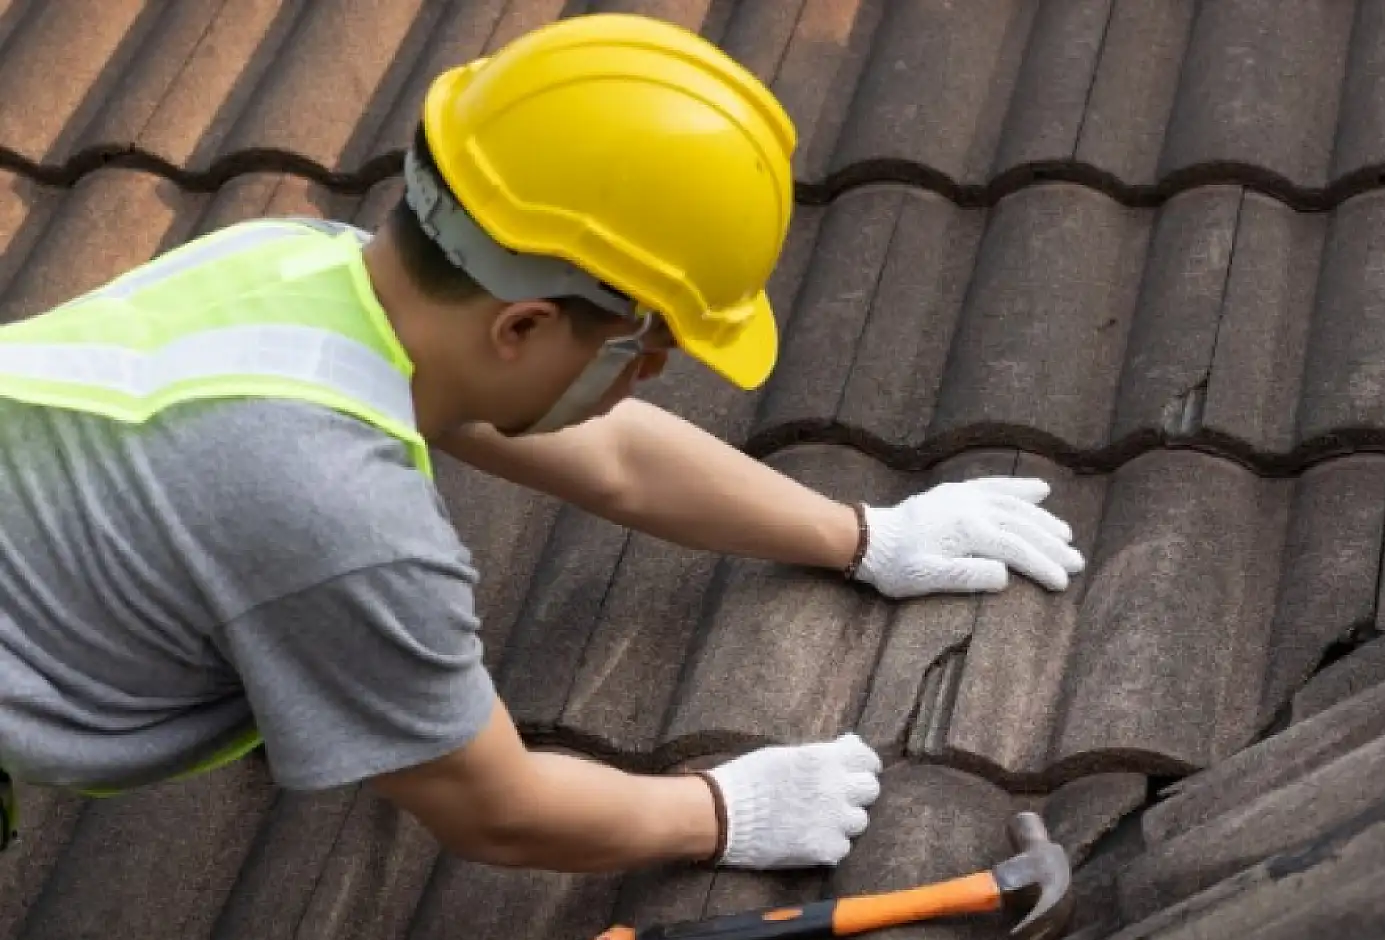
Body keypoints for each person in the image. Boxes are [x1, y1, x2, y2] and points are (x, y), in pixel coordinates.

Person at [0, 14, 1083, 877]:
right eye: (643, 350)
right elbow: (497, 809)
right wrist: (720, 809)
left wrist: (865, 534)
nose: (646, 378)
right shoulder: (337, 516)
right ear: (519, 327)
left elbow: (614, 458)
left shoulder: (302, 261)